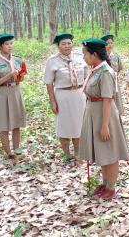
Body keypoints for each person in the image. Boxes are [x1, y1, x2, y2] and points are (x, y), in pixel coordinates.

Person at [78, 38, 129, 200]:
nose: (83, 57)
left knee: (110, 152)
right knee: (102, 151)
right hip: (94, 112)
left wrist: (105, 125)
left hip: (104, 114)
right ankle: (105, 182)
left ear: (94, 54)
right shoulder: (95, 69)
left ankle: (111, 187)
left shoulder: (105, 72)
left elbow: (107, 99)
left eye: (85, 54)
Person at [44, 33, 87, 163]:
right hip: (62, 95)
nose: (67, 46)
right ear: (58, 46)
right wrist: (53, 101)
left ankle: (78, 152)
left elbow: (86, 76)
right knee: (63, 126)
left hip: (79, 94)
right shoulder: (52, 61)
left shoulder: (80, 58)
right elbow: (49, 83)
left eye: (69, 43)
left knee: (79, 125)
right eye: (63, 44)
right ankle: (67, 154)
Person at [0, 33, 27, 159]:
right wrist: (8, 76)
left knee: (17, 123)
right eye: (6, 44)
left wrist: (19, 76)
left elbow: (22, 76)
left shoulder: (17, 59)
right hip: (4, 93)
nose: (10, 46)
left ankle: (17, 150)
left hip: (16, 92)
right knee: (4, 124)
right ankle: (9, 153)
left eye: (11, 43)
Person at [101, 34, 124, 116]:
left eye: (111, 43)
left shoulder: (116, 57)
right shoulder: (100, 57)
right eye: (107, 43)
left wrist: (118, 77)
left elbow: (120, 69)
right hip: (104, 84)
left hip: (115, 83)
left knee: (117, 106)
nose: (110, 45)